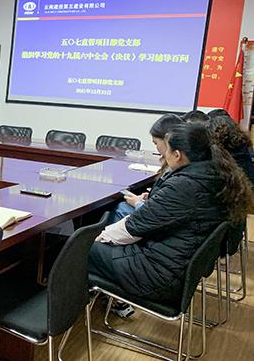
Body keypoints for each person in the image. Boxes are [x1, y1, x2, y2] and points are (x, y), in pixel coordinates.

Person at [90, 123, 253, 307]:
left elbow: (135, 226)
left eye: (166, 149)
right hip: (177, 268)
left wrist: (98, 238)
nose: (163, 155)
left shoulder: (185, 186)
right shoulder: (215, 175)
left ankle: (74, 310)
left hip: (159, 277)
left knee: (80, 249)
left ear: (177, 155)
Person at [108, 113, 184, 224]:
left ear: (167, 141)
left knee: (121, 208)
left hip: (157, 223)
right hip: (159, 215)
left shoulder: (176, 170)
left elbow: (159, 215)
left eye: (156, 143)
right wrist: (152, 197)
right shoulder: (184, 168)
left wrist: (138, 203)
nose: (156, 148)